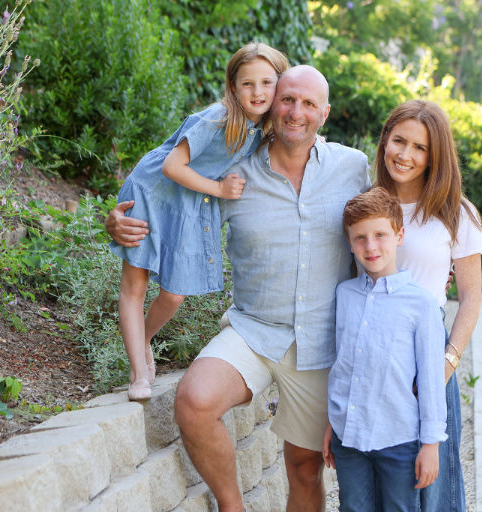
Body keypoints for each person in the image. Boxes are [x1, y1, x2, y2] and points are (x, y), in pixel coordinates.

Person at [106, 64, 370, 511]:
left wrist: (445, 245)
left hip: (324, 341)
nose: (296, 112)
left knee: (305, 467)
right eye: (287, 99)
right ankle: (232, 507)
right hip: (254, 330)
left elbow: (396, 210)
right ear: (270, 105)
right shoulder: (232, 173)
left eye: (308, 104)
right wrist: (118, 219)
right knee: (193, 401)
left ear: (325, 114)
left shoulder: (352, 167)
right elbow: (168, 195)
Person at [109, 42, 289, 401]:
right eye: (247, 84)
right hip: (151, 193)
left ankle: (142, 339)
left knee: (174, 295)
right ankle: (138, 372)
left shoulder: (259, 128)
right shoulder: (216, 118)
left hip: (186, 201)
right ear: (233, 88)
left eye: (267, 83)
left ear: (279, 85)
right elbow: (171, 166)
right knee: (135, 287)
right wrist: (220, 189)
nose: (257, 92)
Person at [373, 99, 482, 512]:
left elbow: (471, 296)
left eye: (419, 147)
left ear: (434, 155)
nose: (405, 155)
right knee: (378, 475)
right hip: (370, 347)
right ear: (385, 140)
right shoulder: (366, 202)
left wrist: (446, 364)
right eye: (398, 141)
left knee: (434, 481)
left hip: (426, 348)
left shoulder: (455, 212)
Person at [321, 187, 447, 512]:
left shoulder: (421, 304)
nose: (371, 246)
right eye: (360, 238)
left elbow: (432, 380)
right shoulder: (344, 295)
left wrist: (431, 444)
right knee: (352, 508)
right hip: (349, 440)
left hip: (399, 438)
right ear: (349, 243)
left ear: (399, 234)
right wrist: (332, 423)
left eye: (380, 234)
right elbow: (342, 367)